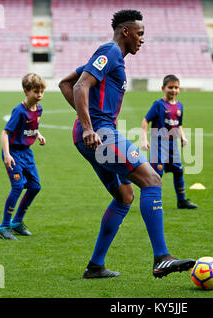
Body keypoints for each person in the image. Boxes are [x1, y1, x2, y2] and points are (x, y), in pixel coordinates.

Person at [58, 10, 195, 279]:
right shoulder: (110, 51)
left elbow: (65, 82)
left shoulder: (112, 56)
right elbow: (79, 86)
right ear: (126, 32)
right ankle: (162, 258)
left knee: (124, 196)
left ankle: (95, 266)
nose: (142, 40)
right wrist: (89, 126)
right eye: (140, 34)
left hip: (93, 135)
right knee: (152, 180)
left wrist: (86, 123)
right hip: (101, 134)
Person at [0, 73, 47, 240]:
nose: (39, 95)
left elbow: (31, 126)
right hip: (14, 153)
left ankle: (17, 222)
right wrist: (7, 155)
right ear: (26, 91)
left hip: (27, 153)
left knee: (35, 187)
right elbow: (5, 133)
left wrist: (38, 134)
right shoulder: (19, 111)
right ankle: (4, 226)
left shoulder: (38, 109)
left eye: (41, 92)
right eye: (35, 92)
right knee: (17, 187)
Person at [140, 74, 198, 209]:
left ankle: (182, 201)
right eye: (170, 87)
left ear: (179, 89)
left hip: (173, 145)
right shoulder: (158, 105)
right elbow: (145, 120)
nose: (173, 90)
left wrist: (182, 137)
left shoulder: (179, 106)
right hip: (158, 145)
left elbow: (179, 125)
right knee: (156, 174)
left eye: (176, 87)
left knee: (178, 171)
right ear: (163, 88)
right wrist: (144, 139)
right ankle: (155, 204)